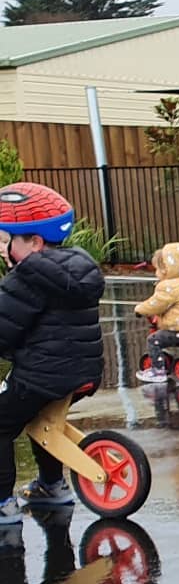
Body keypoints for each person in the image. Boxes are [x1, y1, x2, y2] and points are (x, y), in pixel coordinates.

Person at [0, 183, 105, 524]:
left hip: (44, 374)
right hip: (83, 372)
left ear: (35, 242)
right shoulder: (77, 266)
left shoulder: (27, 275)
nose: (5, 247)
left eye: (10, 239)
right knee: (41, 419)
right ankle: (51, 486)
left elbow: (5, 326)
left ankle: (3, 503)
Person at [134, 242, 179, 383]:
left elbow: (156, 304)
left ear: (166, 269)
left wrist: (139, 309)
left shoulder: (167, 286)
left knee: (154, 340)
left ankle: (158, 371)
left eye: (157, 269)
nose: (156, 273)